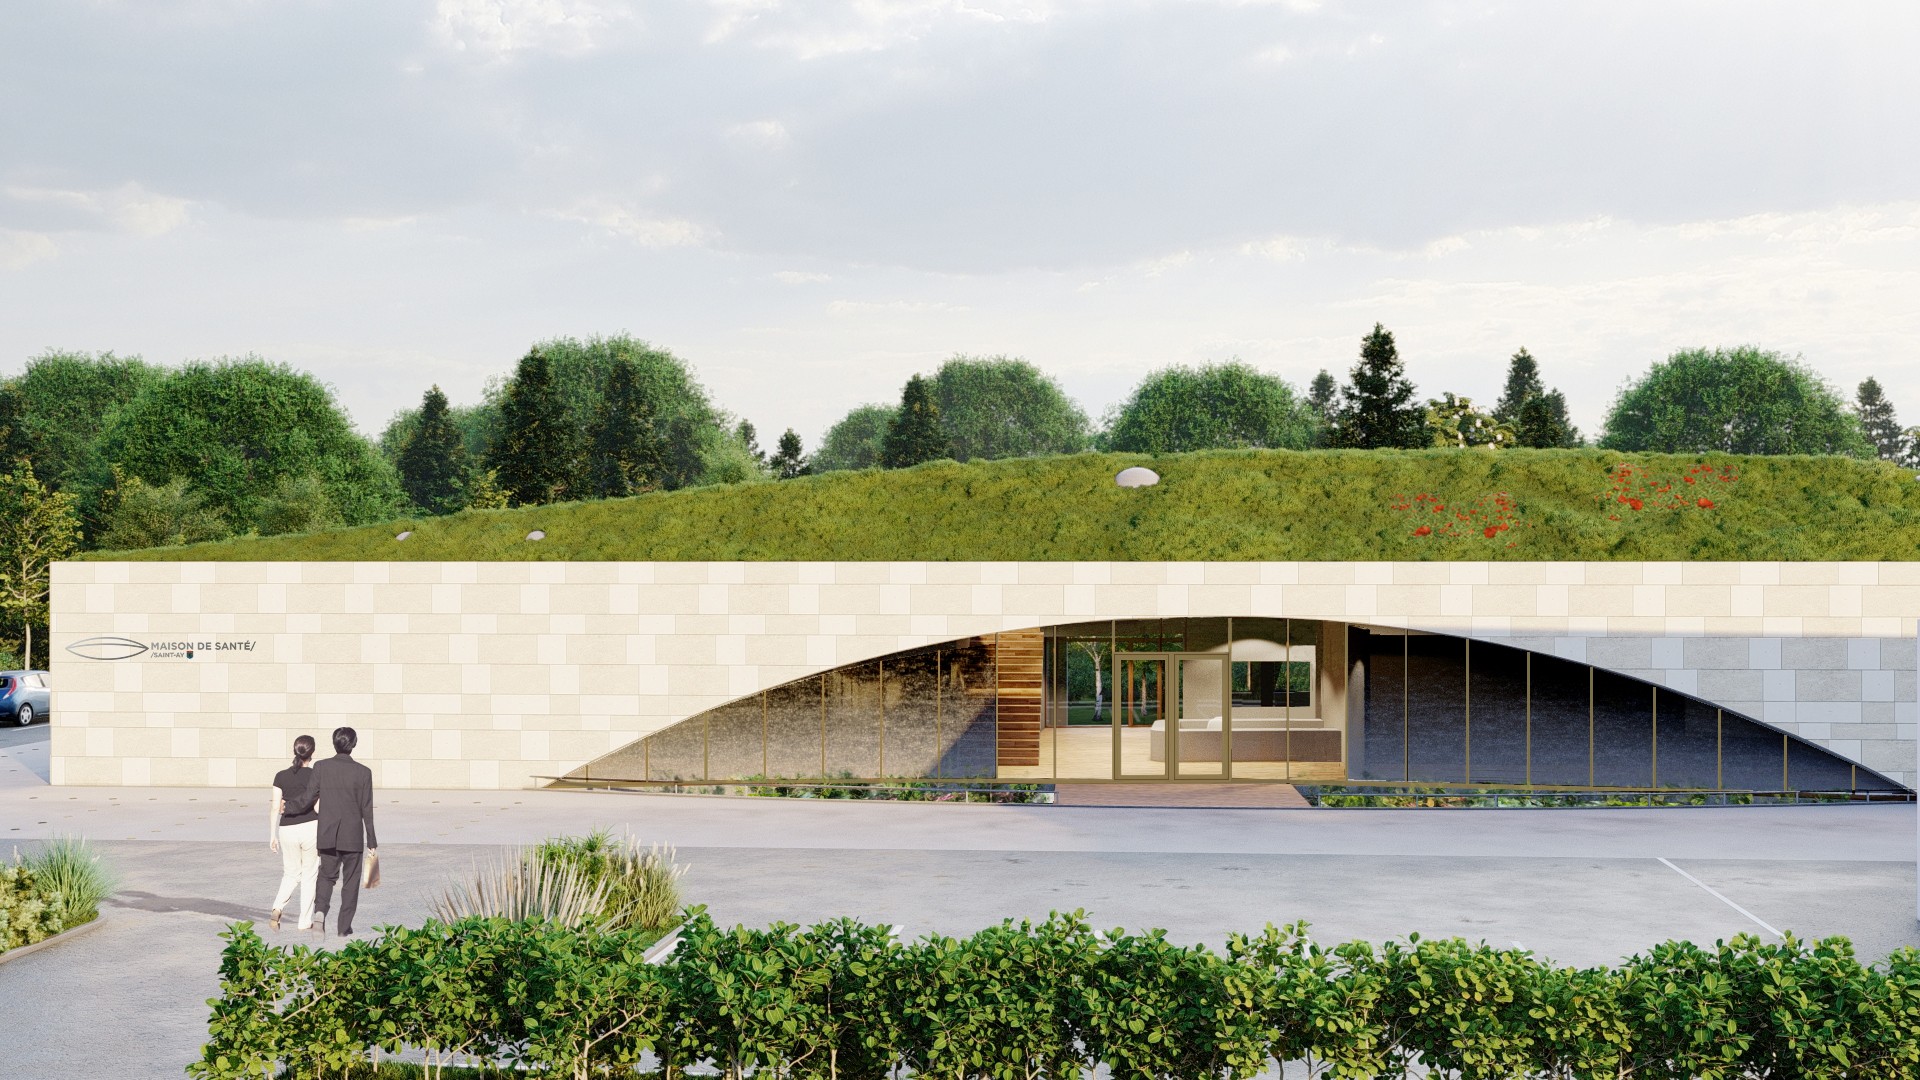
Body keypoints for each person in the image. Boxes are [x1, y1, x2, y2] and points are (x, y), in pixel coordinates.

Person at [311, 726, 377, 938]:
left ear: (334, 743)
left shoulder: (321, 767)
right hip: (353, 836)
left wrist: (289, 809)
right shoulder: (364, 772)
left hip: (327, 834)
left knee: (326, 876)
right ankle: (343, 928)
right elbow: (367, 808)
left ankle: (320, 912)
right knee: (350, 882)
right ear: (354, 744)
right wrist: (372, 841)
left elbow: (308, 797)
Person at [267, 734, 320, 932]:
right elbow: (318, 808)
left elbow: (275, 807)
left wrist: (272, 835)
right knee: (309, 875)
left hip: (286, 828)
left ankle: (277, 907)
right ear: (312, 753)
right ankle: (304, 920)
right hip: (310, 828)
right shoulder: (316, 775)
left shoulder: (280, 776)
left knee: (290, 873)